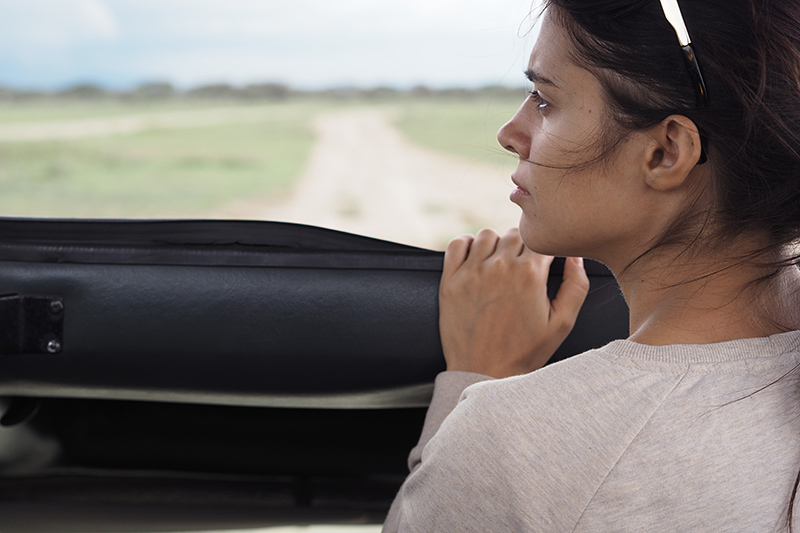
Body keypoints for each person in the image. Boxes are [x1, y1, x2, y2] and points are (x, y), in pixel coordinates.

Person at [382, 0, 800, 531]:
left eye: (544, 100)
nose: (510, 133)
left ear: (666, 152)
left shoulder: (518, 442)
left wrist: (476, 381)